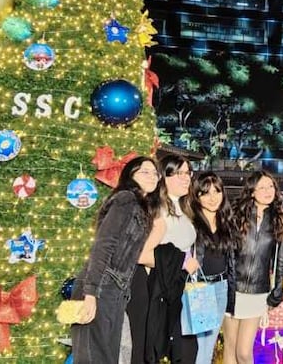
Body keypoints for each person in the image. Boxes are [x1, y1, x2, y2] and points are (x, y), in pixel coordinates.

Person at [72, 156, 164, 364]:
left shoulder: (142, 208)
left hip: (116, 290)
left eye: (154, 173)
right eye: (144, 171)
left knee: (106, 357)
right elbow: (104, 244)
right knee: (92, 357)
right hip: (100, 286)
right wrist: (90, 293)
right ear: (130, 176)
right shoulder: (125, 199)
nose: (152, 176)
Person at [222, 171, 283, 364]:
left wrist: (277, 291)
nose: (268, 191)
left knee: (243, 352)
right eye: (261, 187)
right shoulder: (236, 213)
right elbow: (227, 252)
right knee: (230, 349)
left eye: (271, 186)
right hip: (232, 288)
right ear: (251, 191)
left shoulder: (279, 218)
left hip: (257, 292)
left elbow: (280, 259)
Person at [145, 153, 200, 364]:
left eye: (188, 173)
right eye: (179, 173)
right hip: (164, 291)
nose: (186, 178)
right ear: (164, 177)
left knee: (185, 351)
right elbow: (143, 254)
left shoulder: (183, 207)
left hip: (183, 290)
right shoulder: (159, 210)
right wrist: (182, 264)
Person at [189, 172, 236, 364]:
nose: (212, 198)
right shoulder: (191, 222)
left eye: (217, 191)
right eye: (206, 193)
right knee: (200, 346)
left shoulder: (227, 222)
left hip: (221, 287)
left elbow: (232, 261)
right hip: (201, 288)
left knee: (208, 346)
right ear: (197, 195)